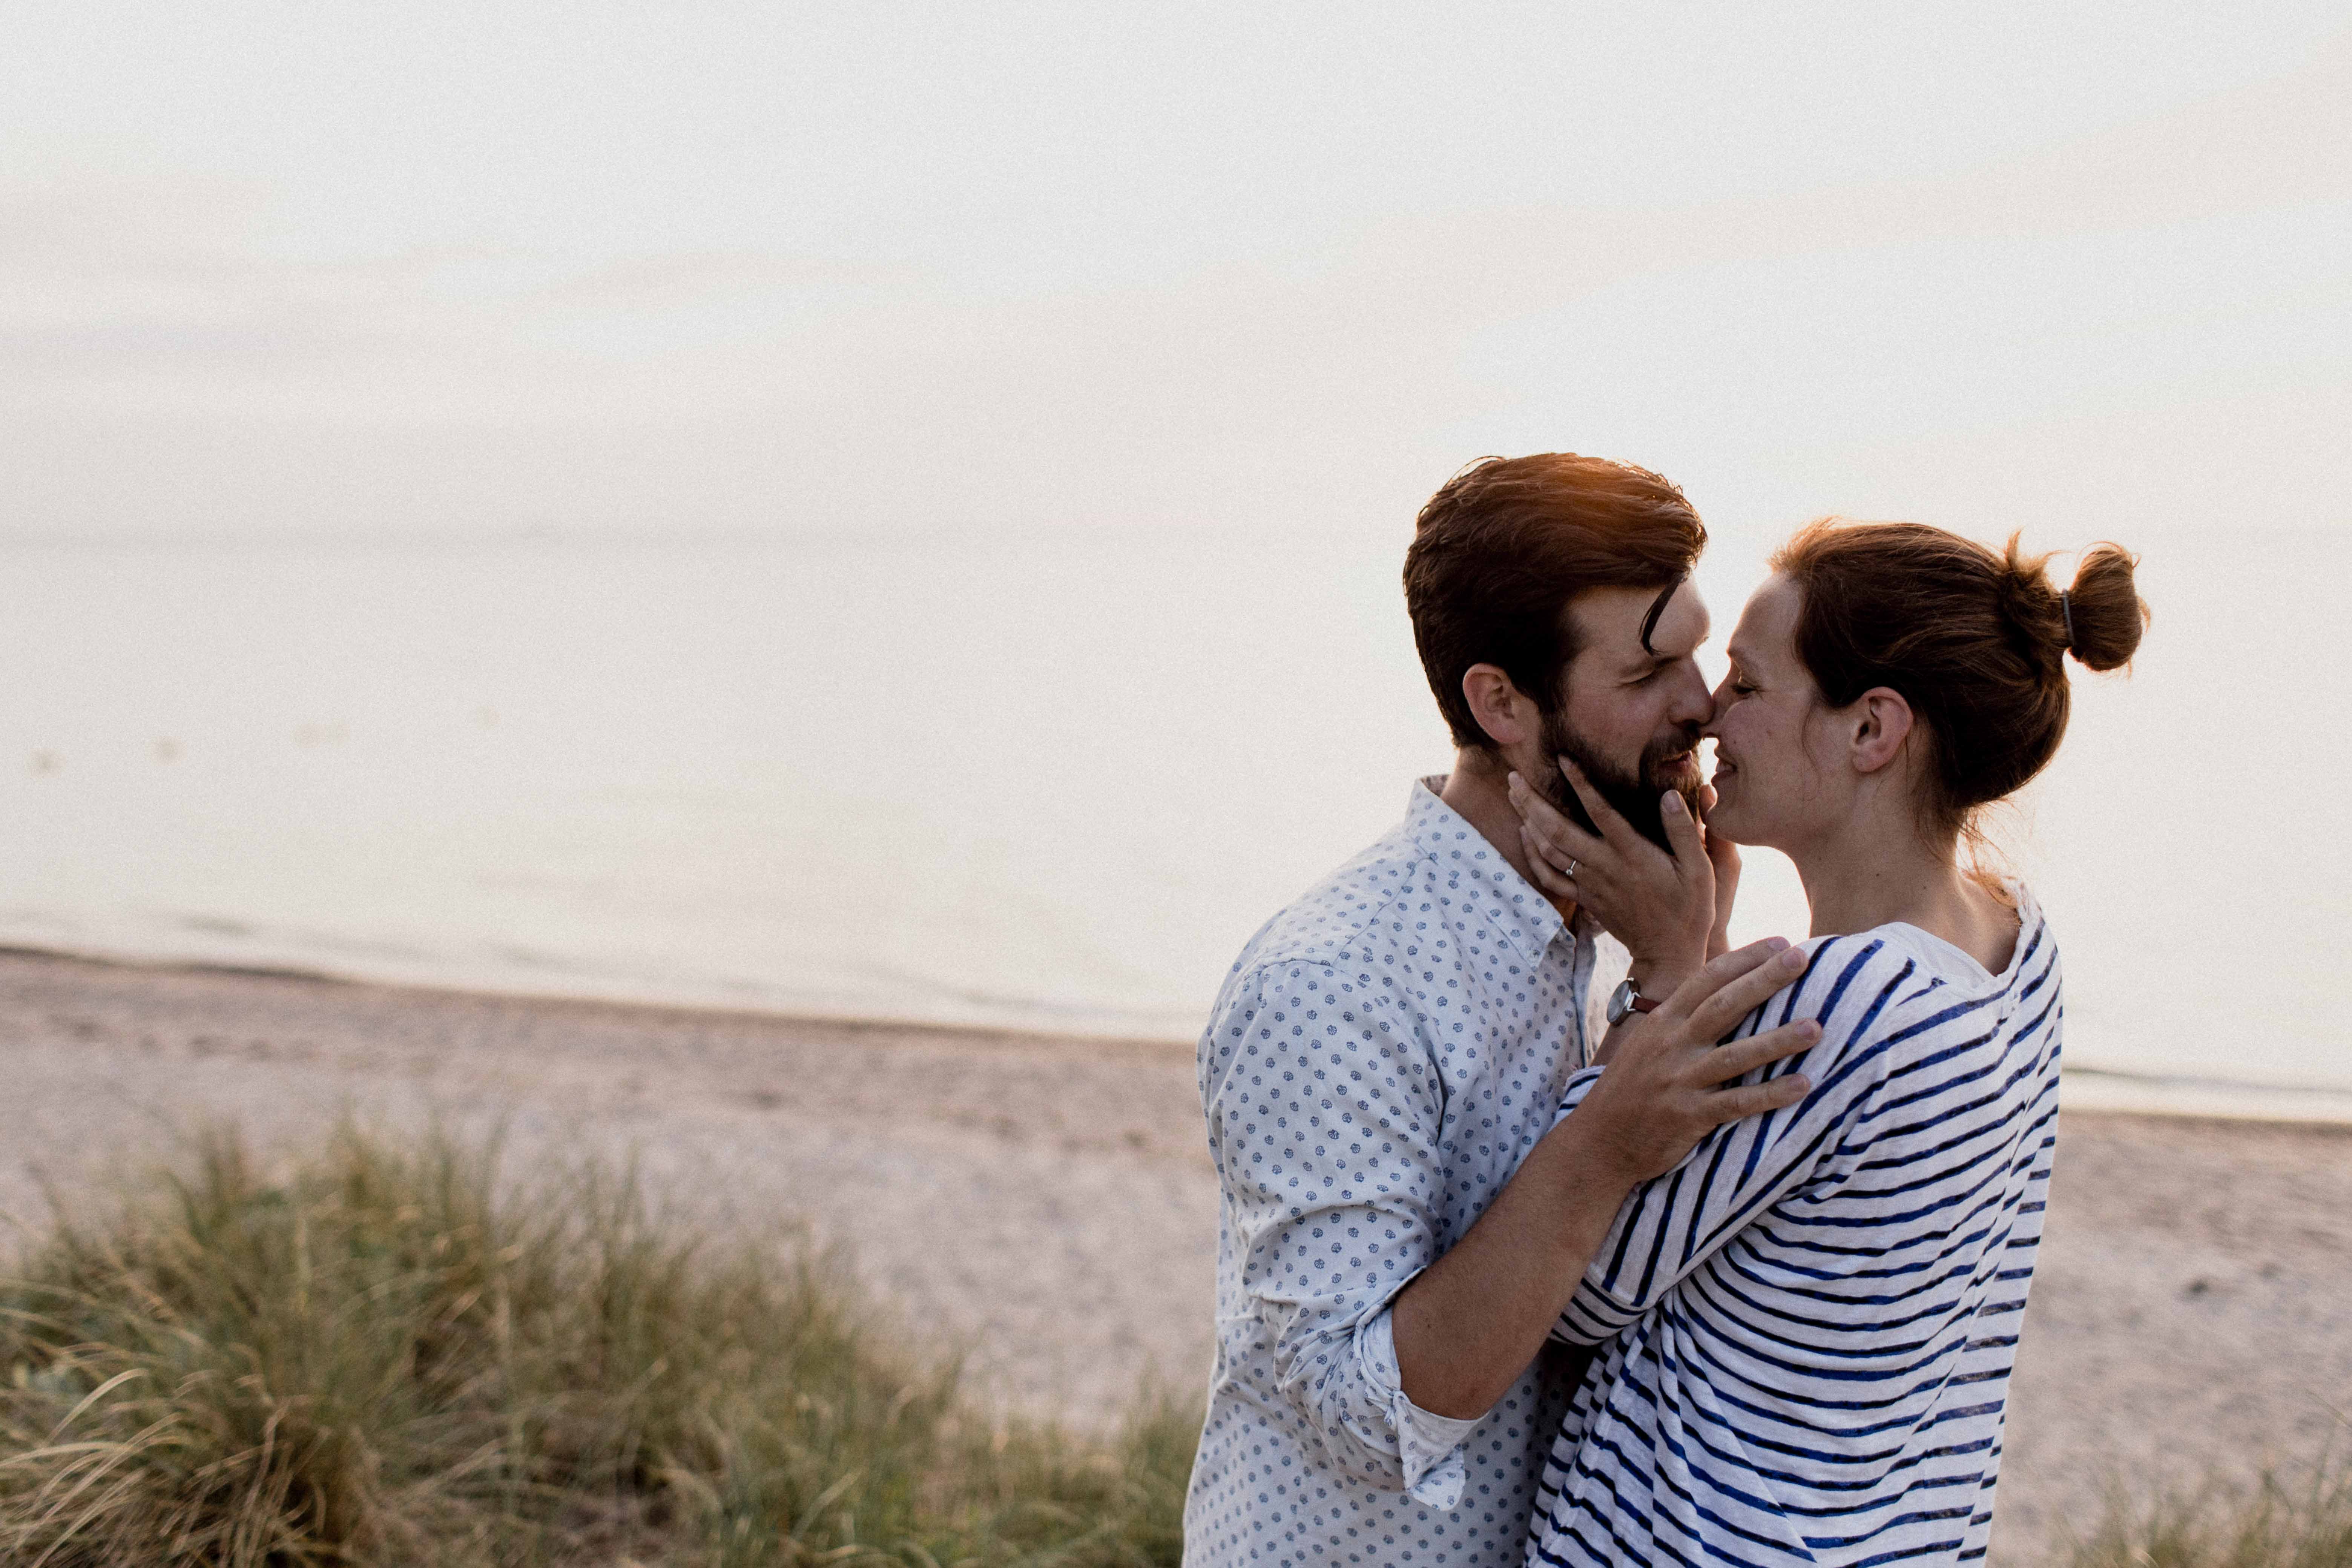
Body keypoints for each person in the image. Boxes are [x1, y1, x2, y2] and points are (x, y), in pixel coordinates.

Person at [1183, 454, 1825, 1568]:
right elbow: (1362, 1417)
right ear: (1501, 703)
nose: (1701, 704)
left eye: (1697, 656)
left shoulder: (1598, 930)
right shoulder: (1334, 983)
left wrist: (1687, 955)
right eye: (1646, 674)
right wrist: (1600, 1144)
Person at [1508, 519, 2148, 1567]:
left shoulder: (1849, 1002)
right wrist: (1710, 950)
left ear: (1872, 731)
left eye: (1751, 687)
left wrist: (1667, 977)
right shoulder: (2014, 941)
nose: (1711, 713)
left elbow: (1575, 1288)